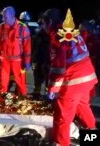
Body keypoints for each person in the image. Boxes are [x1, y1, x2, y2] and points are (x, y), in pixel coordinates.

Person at [41, 8, 98, 146]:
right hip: (87, 79)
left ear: (49, 22)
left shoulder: (57, 36)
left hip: (74, 81)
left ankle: (60, 143)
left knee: (62, 116)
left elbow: (58, 67)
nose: (42, 27)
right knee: (83, 108)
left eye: (43, 23)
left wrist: (52, 89)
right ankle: (92, 138)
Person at [0, 6, 32, 96]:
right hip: (4, 60)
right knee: (3, 82)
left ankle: (23, 99)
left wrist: (27, 62)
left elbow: (27, 47)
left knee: (21, 82)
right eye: (3, 16)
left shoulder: (23, 28)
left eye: (5, 17)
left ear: (12, 16)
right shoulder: (1, 27)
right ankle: (2, 100)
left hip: (18, 61)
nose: (3, 19)